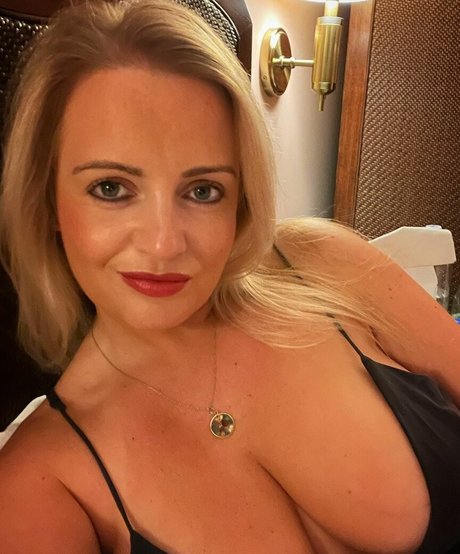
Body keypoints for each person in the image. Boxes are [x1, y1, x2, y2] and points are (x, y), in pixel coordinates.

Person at [0, 1, 459, 552]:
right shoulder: (40, 482)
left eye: (202, 190)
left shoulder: (325, 263)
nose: (164, 244)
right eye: (111, 188)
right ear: (47, 198)